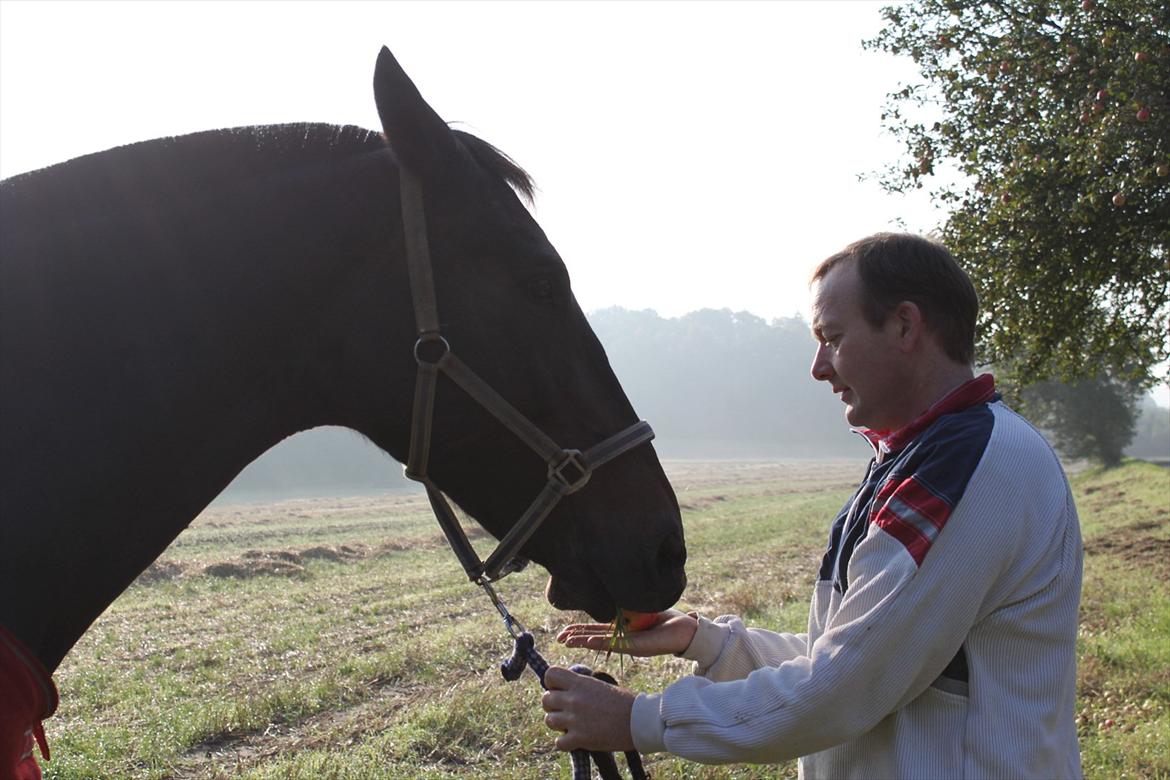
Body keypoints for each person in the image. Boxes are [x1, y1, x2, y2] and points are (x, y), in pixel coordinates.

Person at [542, 233, 1083, 779]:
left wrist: (640, 719)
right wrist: (703, 640)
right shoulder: (924, 457)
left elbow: (846, 686)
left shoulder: (966, 465)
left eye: (833, 338)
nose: (818, 367)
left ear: (904, 326)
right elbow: (856, 650)